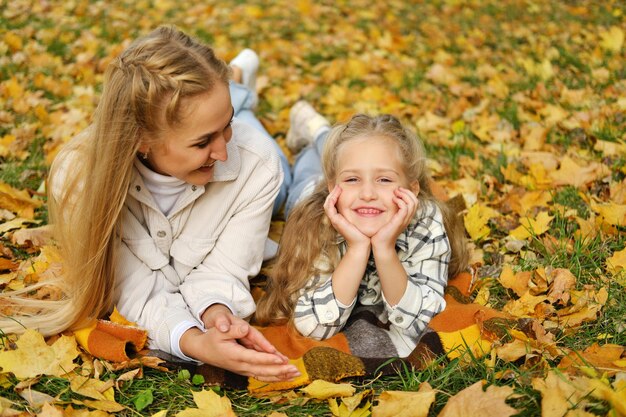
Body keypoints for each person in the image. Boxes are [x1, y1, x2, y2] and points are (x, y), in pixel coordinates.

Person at [0, 26, 299, 382]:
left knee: (290, 185)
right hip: (210, 122)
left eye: (226, 126)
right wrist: (196, 343)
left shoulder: (256, 163)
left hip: (261, 169)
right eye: (202, 142)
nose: (222, 151)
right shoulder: (79, 179)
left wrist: (217, 315)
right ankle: (236, 87)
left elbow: (226, 269)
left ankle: (239, 95)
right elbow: (135, 288)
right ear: (141, 139)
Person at [255, 102, 469, 356]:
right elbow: (313, 325)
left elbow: (423, 321)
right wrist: (357, 250)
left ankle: (318, 131)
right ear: (333, 187)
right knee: (287, 171)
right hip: (306, 192)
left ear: (412, 190)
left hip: (339, 181)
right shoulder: (317, 221)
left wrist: (384, 249)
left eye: (385, 179)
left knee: (345, 155)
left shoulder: (424, 221)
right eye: (352, 180)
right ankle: (314, 132)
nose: (368, 194)